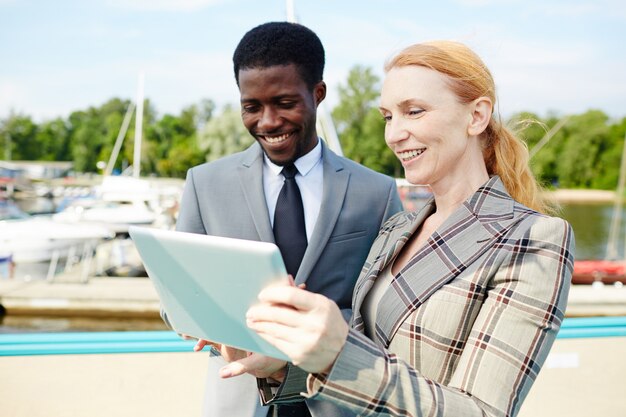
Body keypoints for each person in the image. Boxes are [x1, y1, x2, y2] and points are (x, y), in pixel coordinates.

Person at [220, 40, 576, 417]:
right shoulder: (397, 230)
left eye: (414, 112)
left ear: (476, 116)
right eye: (389, 117)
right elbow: (361, 363)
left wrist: (337, 352)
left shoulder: (533, 239)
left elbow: (483, 411)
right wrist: (284, 363)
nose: (394, 135)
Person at [172, 22, 402, 417]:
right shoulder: (204, 183)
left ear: (318, 93)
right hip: (238, 399)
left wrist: (312, 334)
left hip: (339, 400)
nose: (267, 122)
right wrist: (197, 320)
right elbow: (175, 290)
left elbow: (389, 311)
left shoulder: (376, 193)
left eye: (284, 102)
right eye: (251, 107)